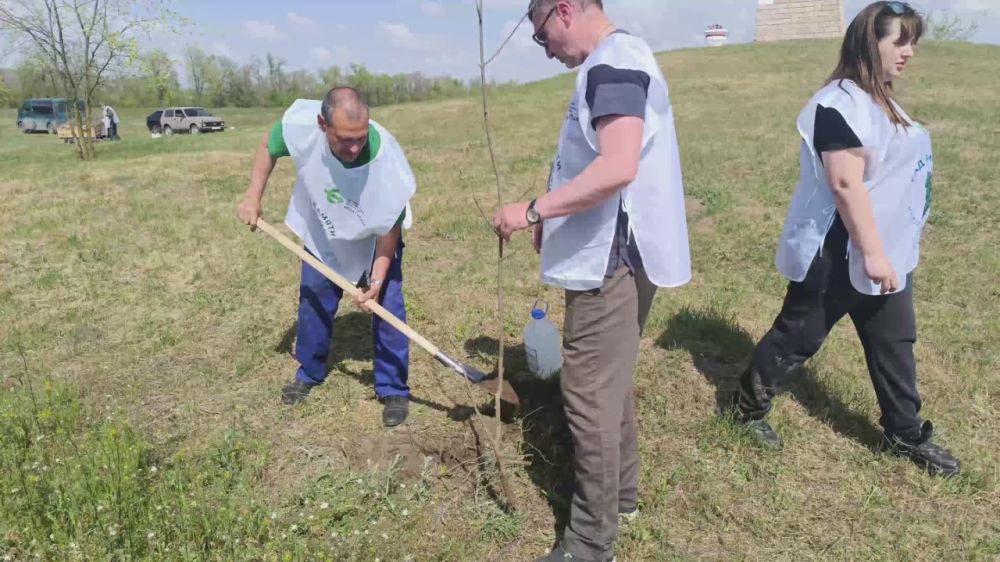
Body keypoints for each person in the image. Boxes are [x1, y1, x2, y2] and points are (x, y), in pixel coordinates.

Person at [728, 1, 960, 477]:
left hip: (885, 249)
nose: (909, 51)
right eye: (899, 39)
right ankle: (745, 410)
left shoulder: (883, 99)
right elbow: (844, 183)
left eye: (912, 40)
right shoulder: (838, 104)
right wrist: (872, 254)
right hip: (839, 250)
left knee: (895, 341)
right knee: (798, 336)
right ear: (866, 42)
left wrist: (890, 247)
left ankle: (905, 433)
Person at [494, 1, 691, 560]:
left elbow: (617, 165)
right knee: (610, 380)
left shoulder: (612, 62)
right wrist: (555, 214)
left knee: (585, 393)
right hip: (620, 251)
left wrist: (533, 210)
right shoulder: (615, 59)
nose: (546, 49)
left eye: (541, 37)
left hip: (613, 259)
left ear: (563, 11)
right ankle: (620, 496)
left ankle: (589, 539)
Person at [237, 87, 416, 427]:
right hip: (324, 227)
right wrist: (252, 196)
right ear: (322, 124)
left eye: (360, 139)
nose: (353, 148)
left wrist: (376, 280)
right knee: (314, 297)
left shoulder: (386, 164)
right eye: (344, 139)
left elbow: (389, 231)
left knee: (389, 304)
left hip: (372, 237)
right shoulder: (303, 127)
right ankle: (309, 371)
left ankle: (393, 387)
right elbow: (268, 144)